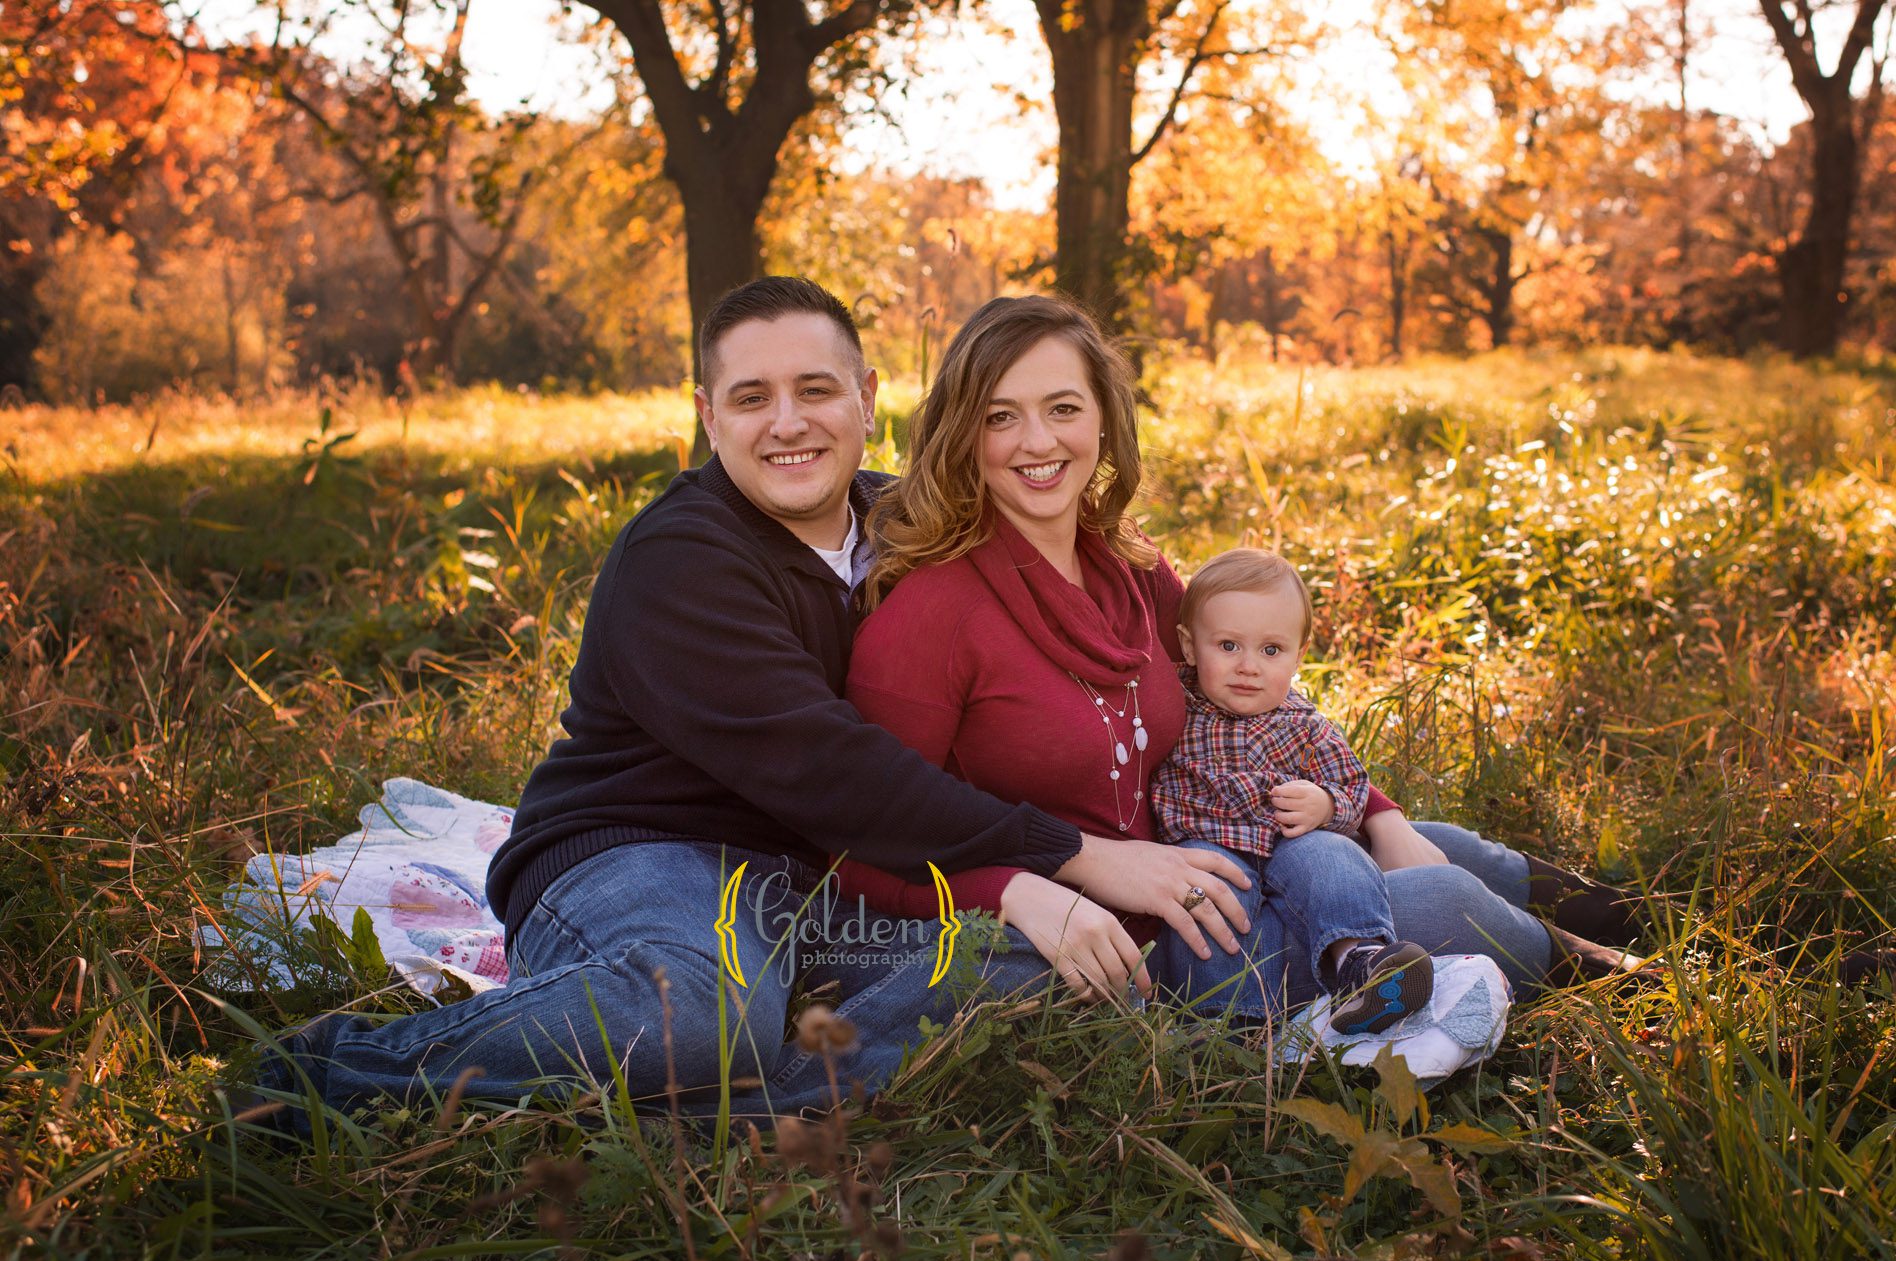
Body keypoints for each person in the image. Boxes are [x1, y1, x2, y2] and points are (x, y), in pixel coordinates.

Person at [249, 277, 1261, 1130]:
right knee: (692, 1005)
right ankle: (327, 1076)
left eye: (816, 389)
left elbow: (1076, 601)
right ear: (708, 414)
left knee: (1056, 950)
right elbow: (832, 769)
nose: (787, 422)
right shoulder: (681, 561)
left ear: (868, 398)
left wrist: (1046, 881)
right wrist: (1061, 855)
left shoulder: (907, 521)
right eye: (751, 397)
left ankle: (746, 1111)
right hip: (646, 859)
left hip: (822, 883)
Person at [834, 293, 1644, 1032]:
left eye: (1063, 408)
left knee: (1439, 842)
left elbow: (1239, 697)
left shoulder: (1129, 566)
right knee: (1437, 896)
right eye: (1001, 416)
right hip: (1165, 938)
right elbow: (863, 854)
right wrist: (1025, 891)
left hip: (1228, 849)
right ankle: (1618, 987)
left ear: (1105, 422)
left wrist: (1380, 812)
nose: (1038, 442)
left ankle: (1657, 919)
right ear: (961, 431)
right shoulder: (927, 619)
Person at [1150, 547, 1434, 1034]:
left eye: (1271, 650)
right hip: (1206, 844)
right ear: (1190, 646)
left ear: (1299, 657)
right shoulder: (1173, 706)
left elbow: (1352, 791)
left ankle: (1360, 962)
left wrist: (1324, 804)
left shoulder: (1305, 726)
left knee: (1333, 857)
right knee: (1204, 899)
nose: (1248, 667)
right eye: (1228, 646)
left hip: (1289, 842)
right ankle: (1225, 1021)